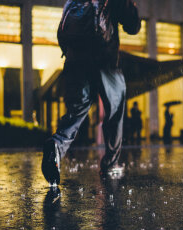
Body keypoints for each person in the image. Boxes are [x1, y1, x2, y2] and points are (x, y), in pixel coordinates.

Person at [42, 0, 141, 185]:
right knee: (115, 111)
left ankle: (56, 145)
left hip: (75, 62)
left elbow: (61, 33)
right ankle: (110, 164)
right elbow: (132, 26)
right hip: (106, 61)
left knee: (76, 112)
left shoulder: (73, 1)